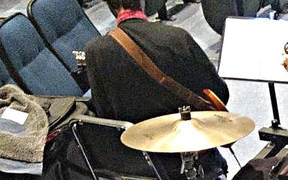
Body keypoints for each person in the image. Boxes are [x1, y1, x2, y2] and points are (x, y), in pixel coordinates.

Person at [84, 0, 230, 123]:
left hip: (137, 150)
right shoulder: (176, 38)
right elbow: (220, 94)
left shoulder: (94, 51)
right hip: (193, 144)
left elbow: (104, 115)